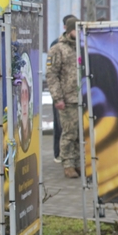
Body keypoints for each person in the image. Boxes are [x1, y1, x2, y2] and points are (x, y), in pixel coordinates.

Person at [47, 17, 81, 178]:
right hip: (67, 99)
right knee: (69, 133)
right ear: (69, 30)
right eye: (75, 29)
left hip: (82, 98)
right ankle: (68, 163)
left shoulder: (82, 46)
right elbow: (52, 75)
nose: (78, 32)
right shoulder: (57, 49)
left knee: (80, 133)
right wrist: (57, 98)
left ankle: (78, 162)